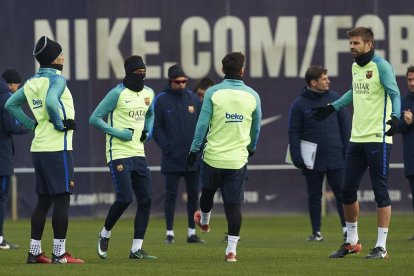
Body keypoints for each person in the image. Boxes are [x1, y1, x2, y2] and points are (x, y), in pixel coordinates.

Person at [311, 27, 401, 259]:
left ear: (369, 45)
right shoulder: (355, 67)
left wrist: (396, 117)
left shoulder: (382, 66)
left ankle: (381, 247)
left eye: (356, 43)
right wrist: (333, 107)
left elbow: (395, 94)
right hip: (357, 137)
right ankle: (352, 242)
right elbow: (354, 92)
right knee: (346, 190)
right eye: (350, 43)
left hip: (378, 137)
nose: (351, 47)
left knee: (380, 190)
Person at [5, 36, 83, 264]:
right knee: (62, 200)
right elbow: (50, 102)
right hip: (58, 148)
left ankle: (34, 252)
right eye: (60, 54)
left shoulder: (31, 82)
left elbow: (10, 105)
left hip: (39, 148)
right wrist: (60, 124)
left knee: (43, 201)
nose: (63, 58)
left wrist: (31, 125)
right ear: (54, 59)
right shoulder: (57, 80)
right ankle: (60, 253)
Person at [188, 52, 262, 262]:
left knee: (208, 193)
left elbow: (202, 124)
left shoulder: (212, 92)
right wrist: (251, 147)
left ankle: (204, 220)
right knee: (233, 206)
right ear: (242, 70)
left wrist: (194, 150)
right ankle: (231, 252)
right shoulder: (253, 95)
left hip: (212, 157)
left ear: (223, 70)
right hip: (237, 160)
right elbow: (255, 128)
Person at [90, 55, 157, 260]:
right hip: (118, 152)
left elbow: (150, 114)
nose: (141, 76)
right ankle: (104, 234)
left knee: (145, 199)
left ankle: (136, 249)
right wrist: (119, 133)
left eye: (143, 72)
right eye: (137, 72)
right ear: (128, 72)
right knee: (126, 198)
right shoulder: (116, 94)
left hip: (138, 153)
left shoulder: (149, 93)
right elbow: (94, 118)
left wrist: (149, 131)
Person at [288, 65, 350, 242]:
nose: (328, 81)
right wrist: (296, 156)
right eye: (324, 79)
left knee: (342, 194)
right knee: (314, 196)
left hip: (336, 156)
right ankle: (316, 233)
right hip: (312, 160)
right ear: (313, 82)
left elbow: (345, 126)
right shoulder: (299, 104)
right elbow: (293, 132)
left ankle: (347, 230)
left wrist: (347, 151)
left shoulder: (336, 98)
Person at [153, 64, 204, 244]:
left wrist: (197, 149)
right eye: (178, 81)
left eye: (184, 81)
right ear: (170, 81)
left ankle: (191, 233)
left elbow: (202, 125)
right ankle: (170, 233)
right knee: (170, 196)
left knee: (193, 196)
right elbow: (156, 128)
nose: (182, 84)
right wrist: (169, 148)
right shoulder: (161, 100)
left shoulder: (194, 99)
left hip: (192, 159)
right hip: (171, 159)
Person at [0, 68, 29, 250]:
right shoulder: (6, 98)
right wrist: (31, 125)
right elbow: (12, 126)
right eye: (18, 85)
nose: (18, 88)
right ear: (12, 83)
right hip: (1, 159)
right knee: (1, 197)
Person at [398, 66, 414, 240]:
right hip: (411, 157)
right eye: (409, 79)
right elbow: (397, 127)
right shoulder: (403, 102)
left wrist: (412, 119)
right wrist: (406, 122)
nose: (412, 82)